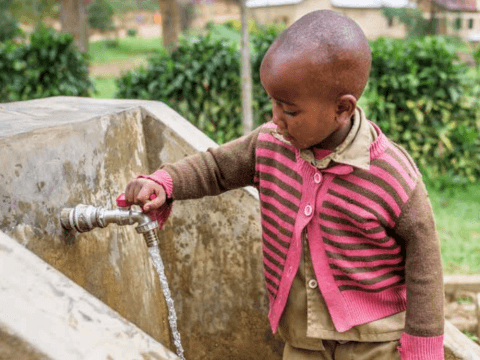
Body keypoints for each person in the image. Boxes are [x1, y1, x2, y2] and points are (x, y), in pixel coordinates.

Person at [125, 10, 444, 360]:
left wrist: (423, 345)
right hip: (302, 335)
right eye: (273, 103)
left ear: (342, 108)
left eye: (289, 110)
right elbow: (215, 167)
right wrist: (165, 183)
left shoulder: (389, 173)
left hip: (376, 341)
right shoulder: (269, 144)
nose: (275, 118)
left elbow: (424, 259)